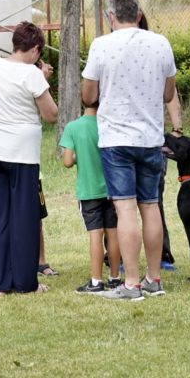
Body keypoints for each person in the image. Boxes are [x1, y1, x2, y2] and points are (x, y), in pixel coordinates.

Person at [82, 0, 177, 301]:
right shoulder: (160, 43)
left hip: (116, 139)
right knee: (150, 207)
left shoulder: (101, 45)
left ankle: (131, 283)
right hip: (150, 138)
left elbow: (88, 94)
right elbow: (167, 93)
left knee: (125, 209)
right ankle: (154, 278)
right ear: (138, 14)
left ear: (111, 17)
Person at [0, 21, 58, 296]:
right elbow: (51, 114)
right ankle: (26, 282)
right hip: (22, 155)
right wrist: (44, 81)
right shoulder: (32, 74)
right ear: (36, 48)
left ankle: (0, 284)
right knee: (24, 219)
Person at [60, 100, 122, 293]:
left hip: (88, 191)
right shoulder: (109, 124)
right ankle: (115, 277)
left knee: (96, 234)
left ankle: (96, 281)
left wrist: (81, 156)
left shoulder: (73, 127)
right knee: (113, 233)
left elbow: (68, 162)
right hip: (112, 190)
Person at [139, 10, 179, 271]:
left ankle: (162, 255)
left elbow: (170, 92)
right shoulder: (111, 49)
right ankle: (116, 256)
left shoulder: (155, 49)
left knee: (150, 199)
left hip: (147, 137)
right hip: (142, 138)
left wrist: (177, 127)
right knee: (146, 201)